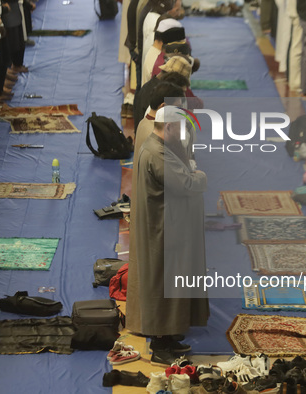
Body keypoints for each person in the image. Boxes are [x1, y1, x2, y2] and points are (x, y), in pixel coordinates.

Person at [133, 105, 209, 365]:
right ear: (169, 127)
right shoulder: (158, 154)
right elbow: (187, 184)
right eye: (179, 129)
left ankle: (167, 339)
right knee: (162, 286)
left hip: (164, 225)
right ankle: (159, 347)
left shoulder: (155, 147)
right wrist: (201, 177)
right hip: (163, 230)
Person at [126, 82, 185, 334]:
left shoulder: (144, 124)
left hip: (148, 207)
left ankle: (149, 325)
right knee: (160, 275)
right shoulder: (159, 141)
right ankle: (161, 335)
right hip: (159, 214)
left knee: (148, 274)